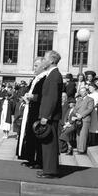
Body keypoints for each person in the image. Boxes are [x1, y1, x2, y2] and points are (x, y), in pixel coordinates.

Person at [17, 57, 47, 168]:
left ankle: (38, 161)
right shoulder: (36, 78)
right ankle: (30, 158)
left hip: (37, 110)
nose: (34, 68)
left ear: (42, 66)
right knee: (29, 133)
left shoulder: (44, 79)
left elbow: (45, 96)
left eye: (36, 66)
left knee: (35, 134)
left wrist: (32, 97)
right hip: (31, 108)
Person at [37, 50, 63, 179]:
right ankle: (48, 168)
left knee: (50, 144)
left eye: (45, 58)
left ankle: (51, 171)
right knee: (47, 144)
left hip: (50, 116)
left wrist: (45, 116)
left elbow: (51, 98)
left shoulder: (54, 75)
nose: (43, 60)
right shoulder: (52, 74)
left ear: (52, 60)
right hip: (49, 114)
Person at [73, 87, 94, 154]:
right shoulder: (79, 99)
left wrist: (81, 115)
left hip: (85, 119)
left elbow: (90, 109)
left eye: (83, 91)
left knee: (83, 135)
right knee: (78, 134)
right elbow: (75, 109)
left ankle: (81, 150)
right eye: (80, 91)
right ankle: (78, 148)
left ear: (86, 92)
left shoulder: (90, 99)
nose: (82, 93)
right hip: (78, 119)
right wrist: (76, 113)